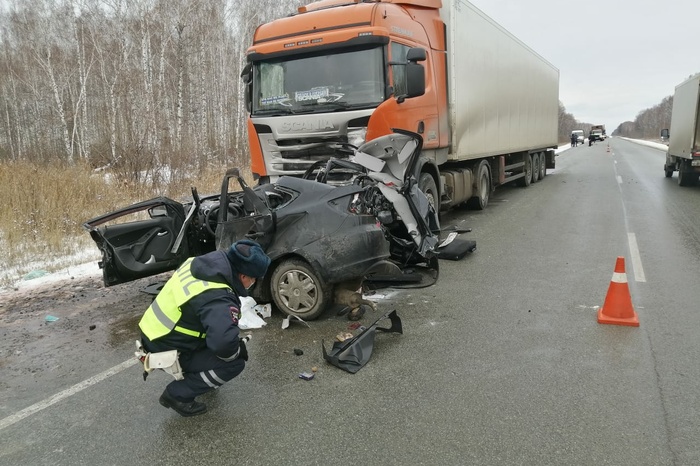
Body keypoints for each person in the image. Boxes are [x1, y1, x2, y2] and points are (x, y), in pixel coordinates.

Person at [138, 239, 271, 417]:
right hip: (165, 345)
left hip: (155, 330)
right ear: (243, 276)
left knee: (220, 338)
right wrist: (237, 350)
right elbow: (223, 345)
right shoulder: (218, 296)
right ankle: (177, 394)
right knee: (233, 363)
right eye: (253, 279)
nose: (252, 283)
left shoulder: (203, 263)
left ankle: (197, 375)